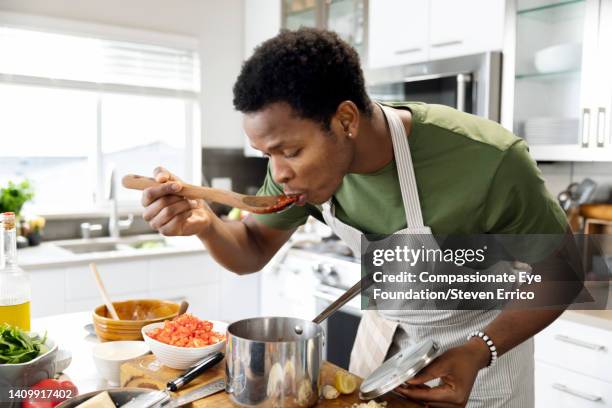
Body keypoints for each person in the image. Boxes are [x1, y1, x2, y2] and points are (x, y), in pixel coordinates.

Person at [141, 28, 569, 407]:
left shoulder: (488, 160)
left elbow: (564, 272)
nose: (278, 172)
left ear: (345, 119)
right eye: (267, 154)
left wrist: (480, 350)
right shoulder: (297, 176)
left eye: (289, 151)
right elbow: (251, 250)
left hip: (479, 363)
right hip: (380, 354)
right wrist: (207, 225)